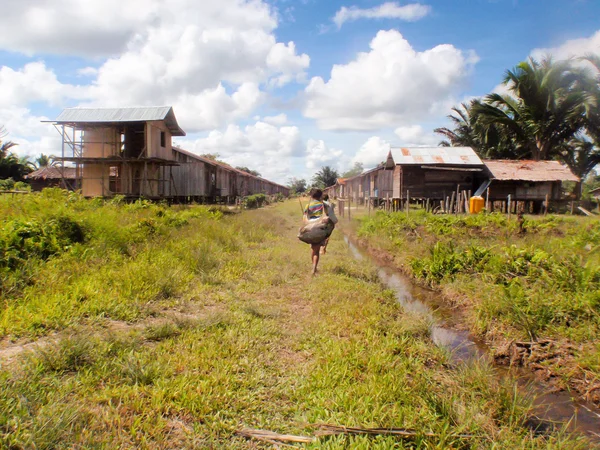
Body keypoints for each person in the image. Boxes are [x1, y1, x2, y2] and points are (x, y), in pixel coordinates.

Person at [303, 188, 329, 275]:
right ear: (321, 195)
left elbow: (304, 219)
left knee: (314, 250)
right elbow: (328, 217)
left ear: (311, 196)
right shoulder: (323, 205)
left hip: (311, 229)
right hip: (320, 229)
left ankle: (314, 268)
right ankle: (314, 269)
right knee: (316, 250)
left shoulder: (308, 205)